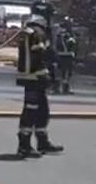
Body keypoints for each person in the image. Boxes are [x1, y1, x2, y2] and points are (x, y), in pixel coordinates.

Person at [15, 13, 63, 158]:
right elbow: (42, 56)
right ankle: (24, 145)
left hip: (28, 77)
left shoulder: (26, 33)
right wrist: (49, 74)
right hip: (36, 78)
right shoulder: (38, 34)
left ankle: (42, 142)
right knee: (32, 110)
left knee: (41, 109)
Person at [54, 20, 78, 94]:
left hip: (60, 55)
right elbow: (74, 45)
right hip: (68, 56)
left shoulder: (59, 34)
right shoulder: (70, 35)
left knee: (59, 72)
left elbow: (56, 45)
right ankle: (65, 89)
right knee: (67, 73)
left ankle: (57, 88)